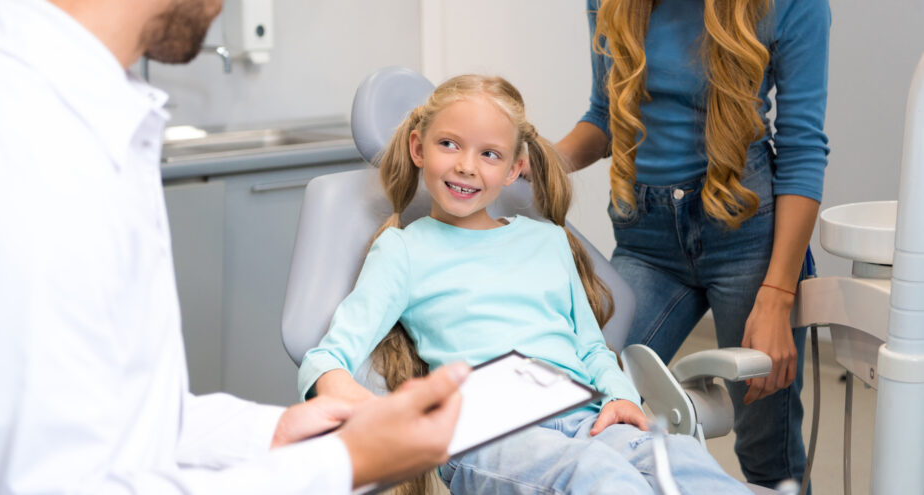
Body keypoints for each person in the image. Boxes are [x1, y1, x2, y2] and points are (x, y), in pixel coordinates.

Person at [0, 0, 470, 493]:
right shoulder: (16, 148)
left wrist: (273, 433)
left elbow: (125, 422)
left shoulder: (72, 120)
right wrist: (343, 465)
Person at [298, 74, 751, 494]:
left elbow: (593, 349)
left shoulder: (549, 241)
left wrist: (619, 397)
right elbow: (326, 359)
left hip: (585, 419)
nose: (467, 167)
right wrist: (374, 414)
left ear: (515, 168)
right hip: (488, 435)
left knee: (685, 462)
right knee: (601, 477)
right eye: (449, 144)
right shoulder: (404, 251)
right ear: (419, 148)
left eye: (489, 154)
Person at [553, 0, 830, 489]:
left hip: (747, 235)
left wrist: (778, 294)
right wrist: (538, 164)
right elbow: (603, 115)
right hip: (646, 237)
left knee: (765, 451)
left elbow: (803, 148)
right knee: (590, 395)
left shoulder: (794, 5)